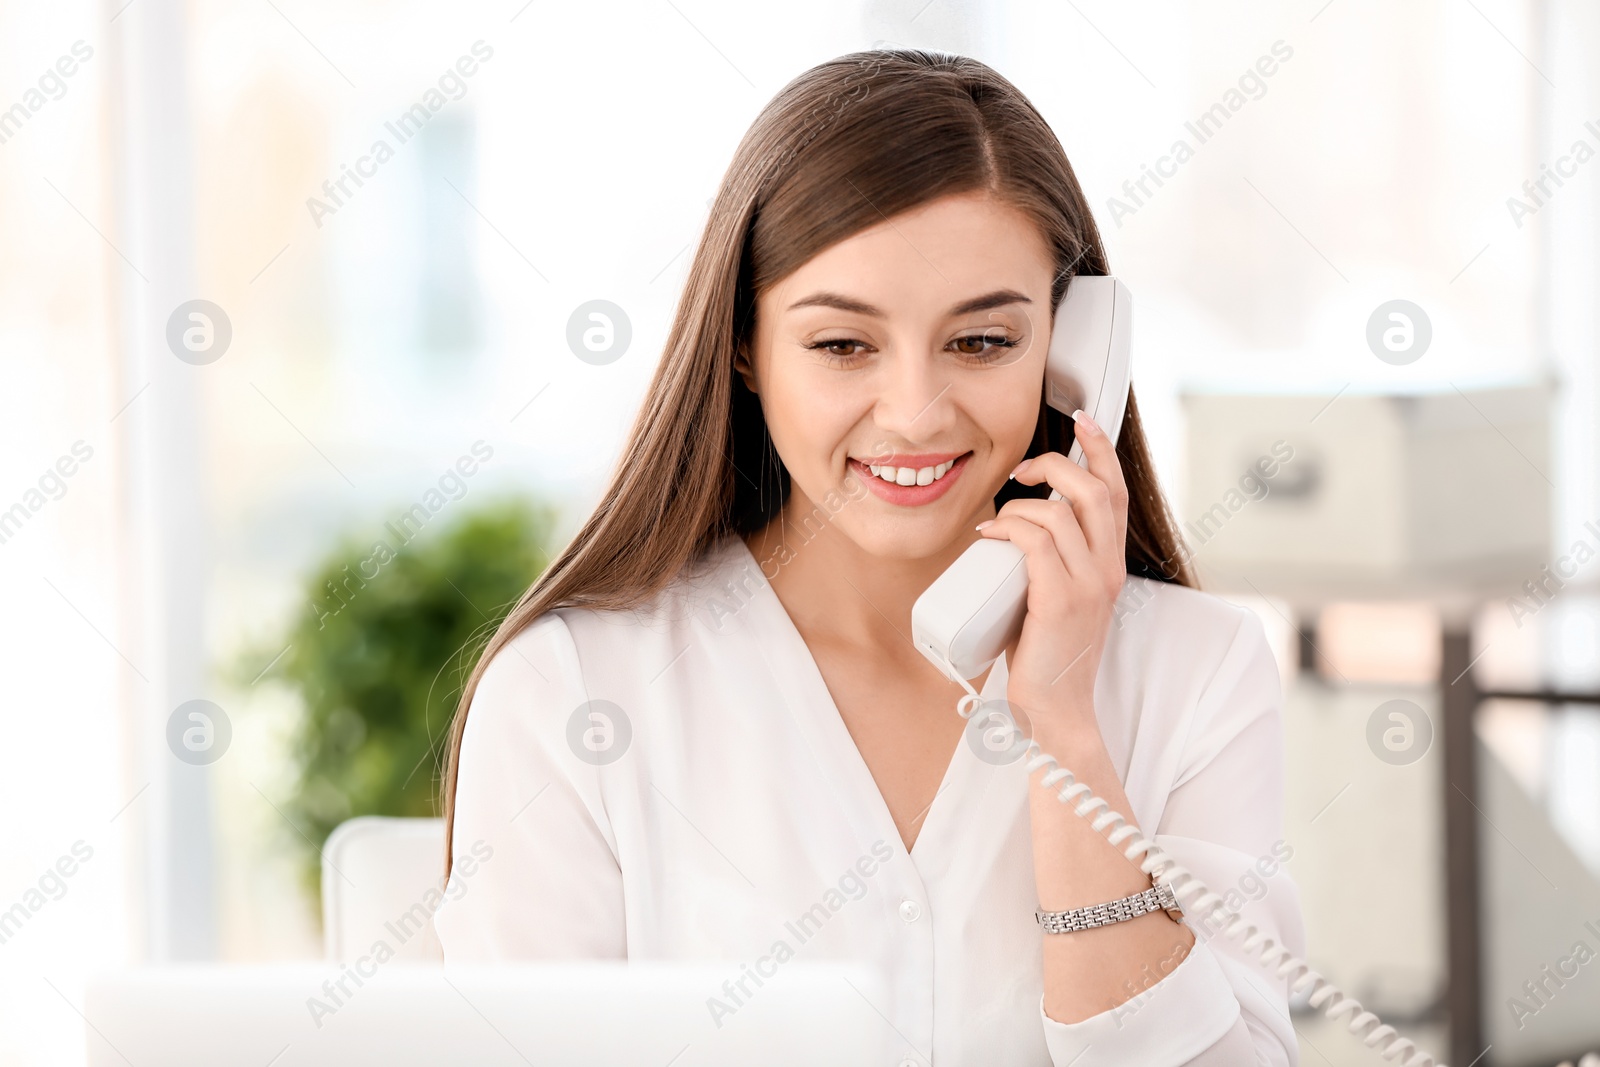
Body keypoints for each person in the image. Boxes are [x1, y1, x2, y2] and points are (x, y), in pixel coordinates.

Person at [434, 48, 1304, 1066]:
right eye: (843, 345)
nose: (914, 412)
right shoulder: (573, 689)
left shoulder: (1197, 672)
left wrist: (1064, 726)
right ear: (747, 346)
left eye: (980, 342)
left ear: (1073, 352)